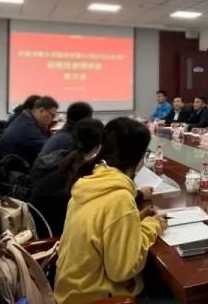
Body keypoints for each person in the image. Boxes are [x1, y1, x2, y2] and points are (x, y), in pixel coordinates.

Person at [54, 118, 167, 304]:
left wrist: (135, 220)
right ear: (137, 157)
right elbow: (122, 270)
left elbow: (101, 228)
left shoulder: (90, 181)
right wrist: (152, 226)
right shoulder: (119, 198)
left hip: (69, 292)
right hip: (97, 298)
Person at [30, 118, 104, 234]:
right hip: (59, 234)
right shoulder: (86, 175)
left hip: (40, 227)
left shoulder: (64, 160)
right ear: (99, 145)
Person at [0, 96, 58, 164]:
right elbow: (50, 151)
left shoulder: (23, 119)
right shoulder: (28, 128)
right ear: (41, 111)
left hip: (10, 163)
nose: (53, 119)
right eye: (52, 115)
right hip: (16, 168)